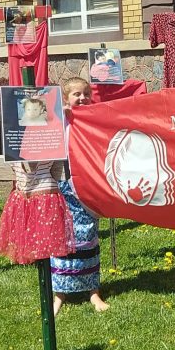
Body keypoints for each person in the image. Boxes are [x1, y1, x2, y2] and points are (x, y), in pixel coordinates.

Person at [52, 77, 110, 314]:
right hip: (63, 184)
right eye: (77, 94)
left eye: (86, 94)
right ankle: (59, 293)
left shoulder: (94, 121)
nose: (83, 98)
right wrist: (59, 114)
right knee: (62, 238)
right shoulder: (60, 120)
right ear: (66, 98)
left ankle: (93, 291)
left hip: (87, 185)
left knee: (88, 236)